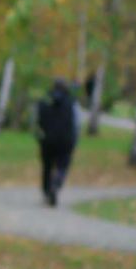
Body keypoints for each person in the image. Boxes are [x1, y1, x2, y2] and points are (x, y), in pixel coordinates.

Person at [34, 76, 81, 206]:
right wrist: (75, 139)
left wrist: (39, 135)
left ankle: (46, 191)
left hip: (47, 140)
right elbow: (77, 123)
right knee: (62, 165)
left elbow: (37, 120)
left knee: (47, 166)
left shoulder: (45, 100)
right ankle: (56, 183)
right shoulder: (71, 102)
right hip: (66, 141)